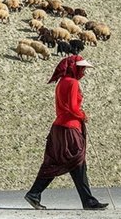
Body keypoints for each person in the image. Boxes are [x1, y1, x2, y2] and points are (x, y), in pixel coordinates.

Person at [24, 55, 109, 210]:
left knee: (55, 162)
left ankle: (34, 193)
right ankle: (88, 201)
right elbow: (72, 108)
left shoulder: (61, 83)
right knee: (78, 161)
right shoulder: (73, 83)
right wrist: (83, 115)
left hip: (57, 129)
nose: (83, 72)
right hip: (70, 129)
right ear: (74, 68)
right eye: (81, 68)